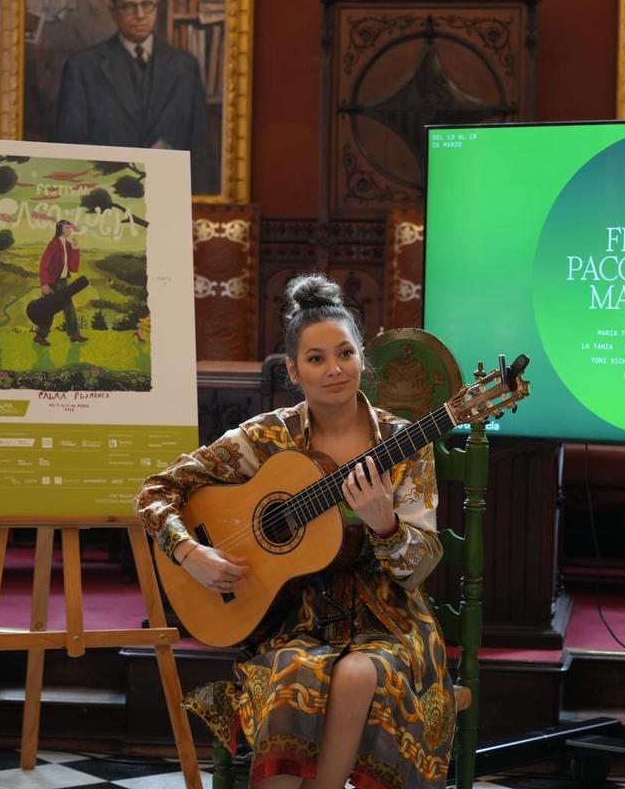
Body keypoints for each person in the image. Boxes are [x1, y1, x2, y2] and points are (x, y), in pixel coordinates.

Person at [134, 275, 453, 788]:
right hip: (294, 614)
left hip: (389, 616)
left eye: (345, 353)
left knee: (357, 674)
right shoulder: (265, 438)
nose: (335, 370)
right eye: (317, 358)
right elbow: (154, 492)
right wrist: (190, 552)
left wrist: (385, 525)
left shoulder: (403, 441)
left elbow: (417, 570)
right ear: (293, 370)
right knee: (294, 674)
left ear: (362, 359)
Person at [54, 0, 218, 194]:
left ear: (156, 7)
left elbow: (199, 147)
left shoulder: (185, 66)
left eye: (147, 5)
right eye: (129, 6)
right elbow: (71, 146)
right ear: (113, 12)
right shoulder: (83, 67)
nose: (140, 15)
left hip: (170, 195)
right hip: (108, 197)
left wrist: (198, 206)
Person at [34, 220, 87, 346]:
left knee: (68, 307)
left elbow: (74, 267)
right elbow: (44, 265)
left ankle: (73, 334)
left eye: (70, 228)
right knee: (48, 309)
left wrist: (75, 249)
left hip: (63, 282)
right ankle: (40, 335)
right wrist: (44, 284)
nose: (70, 230)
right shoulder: (53, 244)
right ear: (60, 229)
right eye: (67, 228)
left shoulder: (68, 245)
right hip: (52, 282)